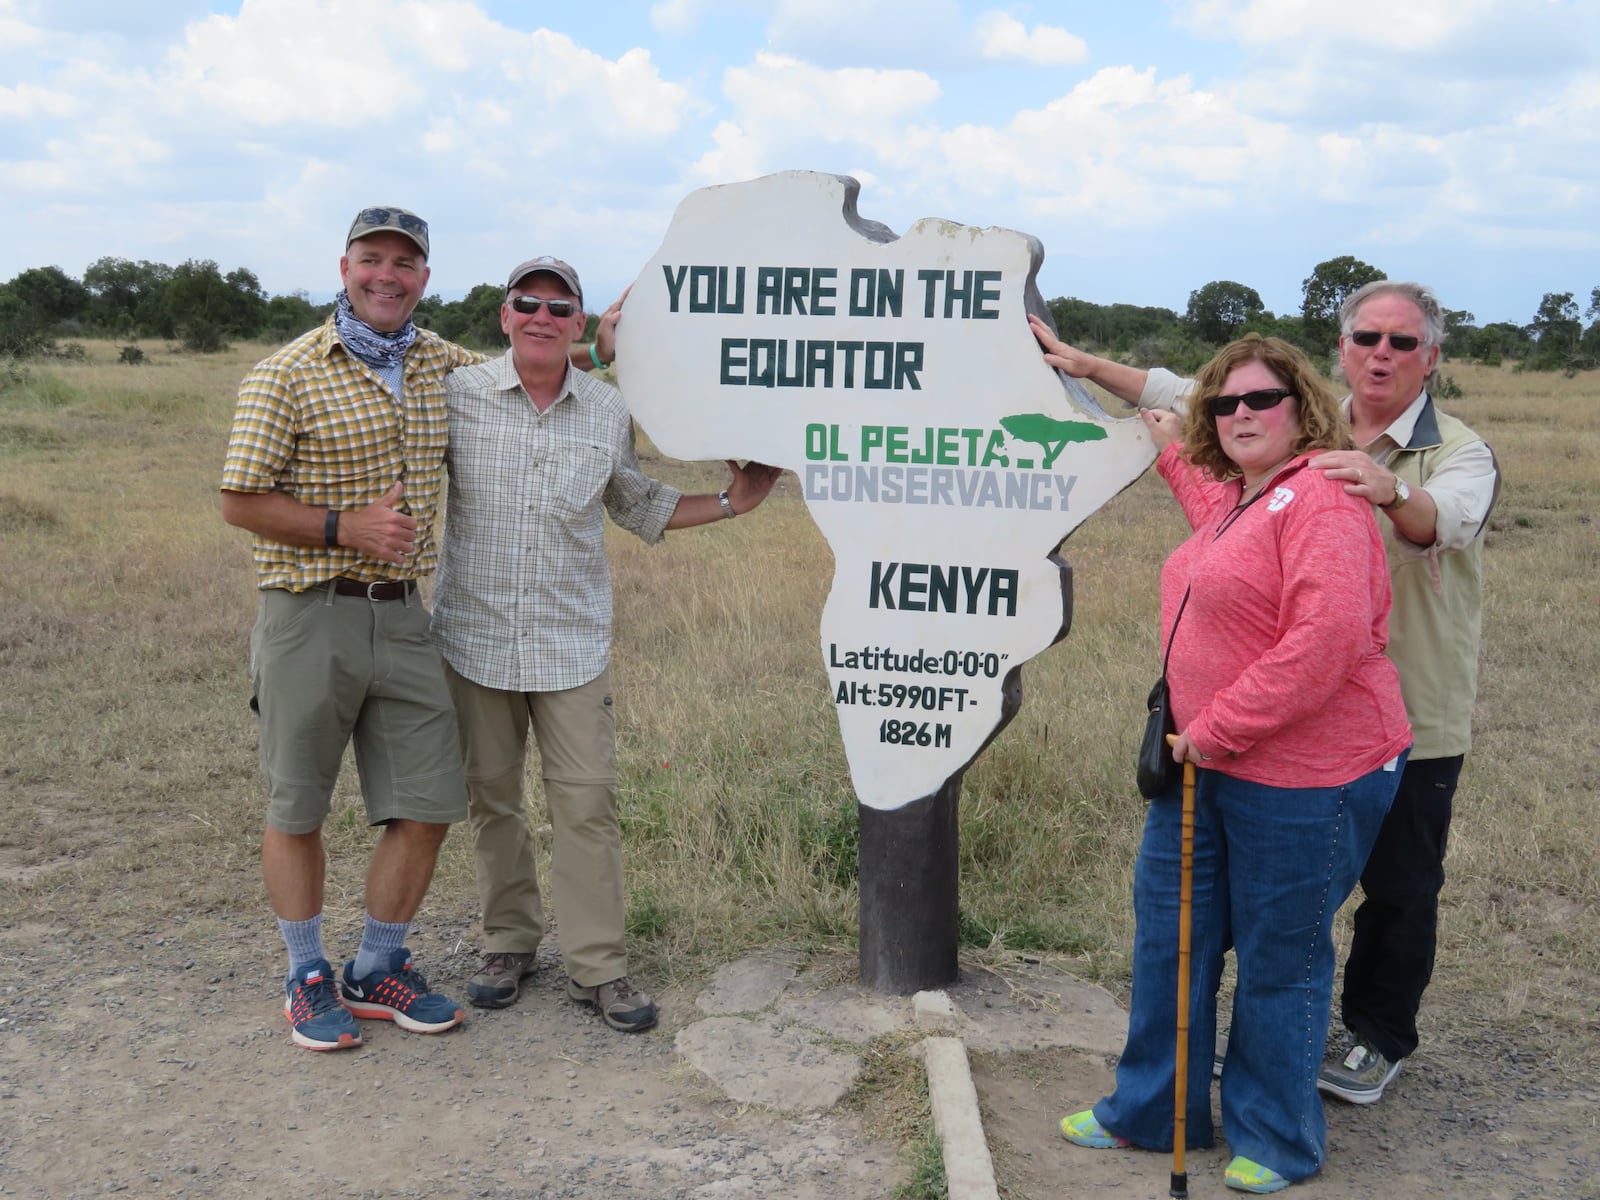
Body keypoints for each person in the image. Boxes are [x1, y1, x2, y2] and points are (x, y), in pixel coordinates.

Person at [1030, 280, 1498, 1105]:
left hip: (1395, 720)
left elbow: (1441, 522)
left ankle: (1370, 1041)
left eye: (1401, 342)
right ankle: (1212, 1083)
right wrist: (1085, 365)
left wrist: (1387, 489)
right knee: (1245, 922)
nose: (1381, 354)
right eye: (1366, 337)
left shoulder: (1431, 457)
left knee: (1391, 891)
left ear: (1431, 357)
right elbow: (1202, 401)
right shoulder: (1282, 444)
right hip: (1267, 729)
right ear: (1342, 349)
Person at [220, 208, 617, 1053]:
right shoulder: (285, 372)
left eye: (404, 263)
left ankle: (376, 966)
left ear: (425, 278)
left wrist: (600, 348)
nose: (387, 276)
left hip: (405, 616)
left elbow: (532, 370)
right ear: (346, 265)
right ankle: (305, 975)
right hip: (308, 613)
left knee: (428, 803)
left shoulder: (444, 367)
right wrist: (344, 528)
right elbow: (238, 499)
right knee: (299, 805)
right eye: (372, 260)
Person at [1036, 331, 1412, 1192]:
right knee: (1172, 938)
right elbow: (1202, 497)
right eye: (1223, 403)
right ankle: (1149, 1109)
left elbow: (1325, 642)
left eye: (1259, 401)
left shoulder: (1323, 496)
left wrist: (1219, 727)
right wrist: (1129, 401)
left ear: (1300, 408)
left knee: (1282, 956)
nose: (1240, 414)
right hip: (1201, 764)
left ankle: (1275, 1137)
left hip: (1304, 776)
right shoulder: (1248, 496)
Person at [433, 255, 781, 1032]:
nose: (542, 318)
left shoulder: (604, 410)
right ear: (503, 315)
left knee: (586, 804)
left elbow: (638, 503)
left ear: (581, 324)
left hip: (570, 645)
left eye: (561, 309)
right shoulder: (456, 396)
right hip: (474, 638)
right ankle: (508, 944)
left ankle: (599, 965)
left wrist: (734, 499)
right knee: (492, 800)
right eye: (528, 303)